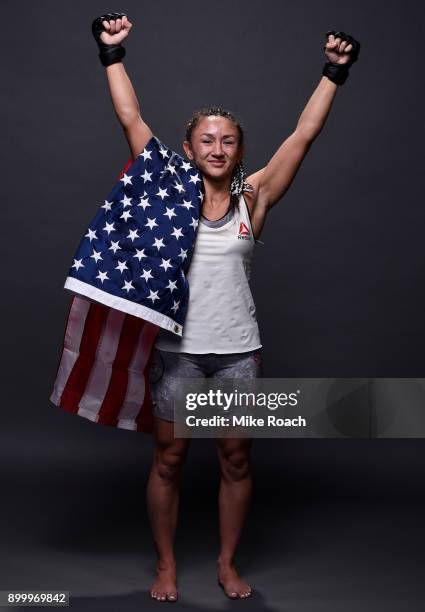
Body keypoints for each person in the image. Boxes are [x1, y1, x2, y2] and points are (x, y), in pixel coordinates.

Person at [91, 12, 360, 602]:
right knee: (169, 460)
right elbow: (131, 118)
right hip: (178, 353)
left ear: (240, 152)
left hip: (239, 353)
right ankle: (165, 565)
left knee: (236, 460)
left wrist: (334, 72)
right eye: (206, 140)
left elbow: (303, 135)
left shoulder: (253, 196)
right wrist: (113, 55)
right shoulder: (166, 188)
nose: (217, 149)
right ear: (188, 148)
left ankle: (227, 562)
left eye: (228, 140)